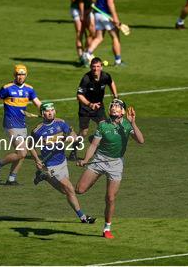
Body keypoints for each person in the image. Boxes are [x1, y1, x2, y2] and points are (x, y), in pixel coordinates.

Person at [76, 99, 144, 239]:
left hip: (116, 164)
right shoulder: (103, 125)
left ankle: (107, 228)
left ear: (123, 112)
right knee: (79, 190)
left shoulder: (126, 125)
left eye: (118, 106)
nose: (114, 108)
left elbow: (141, 140)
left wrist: (132, 123)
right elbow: (94, 146)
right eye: (112, 105)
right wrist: (85, 160)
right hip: (100, 160)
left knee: (110, 198)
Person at [28, 102, 96, 224]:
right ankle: (83, 217)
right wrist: (37, 160)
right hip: (51, 164)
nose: (51, 113)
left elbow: (75, 137)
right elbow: (30, 146)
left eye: (52, 110)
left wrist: (65, 138)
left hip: (62, 161)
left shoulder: (61, 123)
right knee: (70, 189)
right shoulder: (38, 130)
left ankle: (45, 176)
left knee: (65, 191)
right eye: (48, 111)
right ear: (43, 113)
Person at [0, 64, 42, 185]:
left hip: (22, 124)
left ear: (26, 75)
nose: (20, 77)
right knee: (22, 152)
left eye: (22, 74)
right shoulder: (7, 88)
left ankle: (11, 179)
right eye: (18, 74)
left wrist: (46, 112)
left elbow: (38, 103)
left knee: (21, 154)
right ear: (14, 75)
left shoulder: (29, 89)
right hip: (10, 124)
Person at [75, 57, 118, 160]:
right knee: (83, 132)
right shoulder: (86, 78)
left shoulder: (105, 76)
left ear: (101, 67)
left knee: (105, 128)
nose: (95, 69)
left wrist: (115, 97)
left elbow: (111, 82)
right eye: (93, 67)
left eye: (98, 66)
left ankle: (96, 144)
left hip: (98, 106)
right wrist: (90, 105)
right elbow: (79, 95)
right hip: (85, 108)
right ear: (90, 67)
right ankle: (74, 149)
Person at [81, 0, 124, 66]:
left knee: (99, 37)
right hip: (106, 15)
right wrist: (115, 18)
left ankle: (87, 54)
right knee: (115, 36)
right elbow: (110, 3)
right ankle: (118, 61)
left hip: (97, 13)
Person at [70, 0, 97, 64]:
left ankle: (86, 53)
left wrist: (90, 8)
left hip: (88, 8)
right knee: (80, 32)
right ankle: (81, 56)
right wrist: (82, 14)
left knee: (92, 32)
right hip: (77, 9)